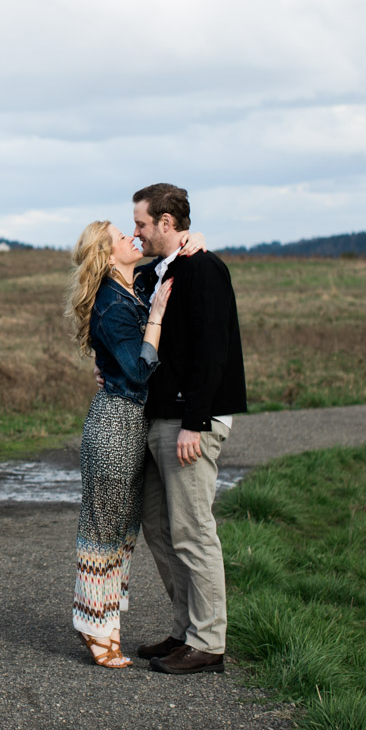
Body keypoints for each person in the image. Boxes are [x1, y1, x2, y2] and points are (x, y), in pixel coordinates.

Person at [128, 183, 247, 675]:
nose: (136, 232)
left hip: (189, 422)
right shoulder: (153, 274)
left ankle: (208, 643)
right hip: (157, 419)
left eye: (141, 224)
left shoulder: (204, 269)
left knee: (194, 531)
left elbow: (211, 350)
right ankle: (184, 631)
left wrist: (195, 421)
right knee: (159, 527)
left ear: (167, 223)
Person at [66, 219, 175, 668]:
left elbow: (164, 260)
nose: (133, 238)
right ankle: (93, 626)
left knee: (122, 532)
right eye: (121, 236)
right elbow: (135, 369)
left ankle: (108, 624)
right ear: (109, 257)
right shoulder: (113, 303)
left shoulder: (132, 285)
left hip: (132, 424)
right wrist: (156, 318)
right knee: (102, 528)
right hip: (114, 424)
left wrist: (195, 239)